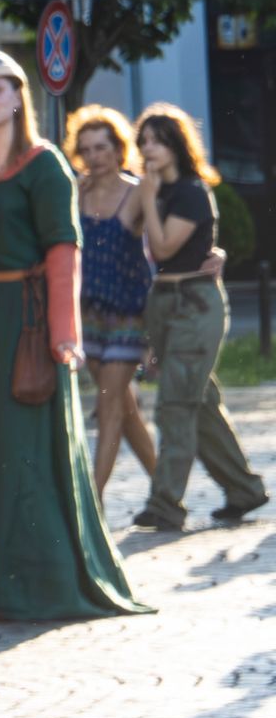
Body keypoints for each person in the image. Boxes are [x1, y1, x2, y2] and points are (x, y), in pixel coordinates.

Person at [0, 51, 146, 622]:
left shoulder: (44, 165)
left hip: (28, 326)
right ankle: (3, 583)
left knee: (26, 455)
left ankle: (48, 583)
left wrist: (65, 336)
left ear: (17, 96)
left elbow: (63, 252)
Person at [130, 104, 267, 531]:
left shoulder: (189, 191)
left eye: (156, 139)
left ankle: (166, 504)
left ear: (175, 143)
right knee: (199, 405)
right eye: (143, 141)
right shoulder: (159, 191)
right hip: (166, 303)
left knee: (174, 406)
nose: (148, 148)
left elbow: (165, 248)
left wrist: (148, 199)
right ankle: (244, 490)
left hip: (195, 303)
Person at [66, 106, 158, 495]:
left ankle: (94, 500)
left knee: (108, 405)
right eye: (86, 149)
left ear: (119, 148)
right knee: (124, 408)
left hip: (128, 313)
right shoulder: (76, 191)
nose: (94, 157)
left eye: (102, 147)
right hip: (87, 315)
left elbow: (160, 244)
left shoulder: (138, 190)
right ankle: (165, 491)